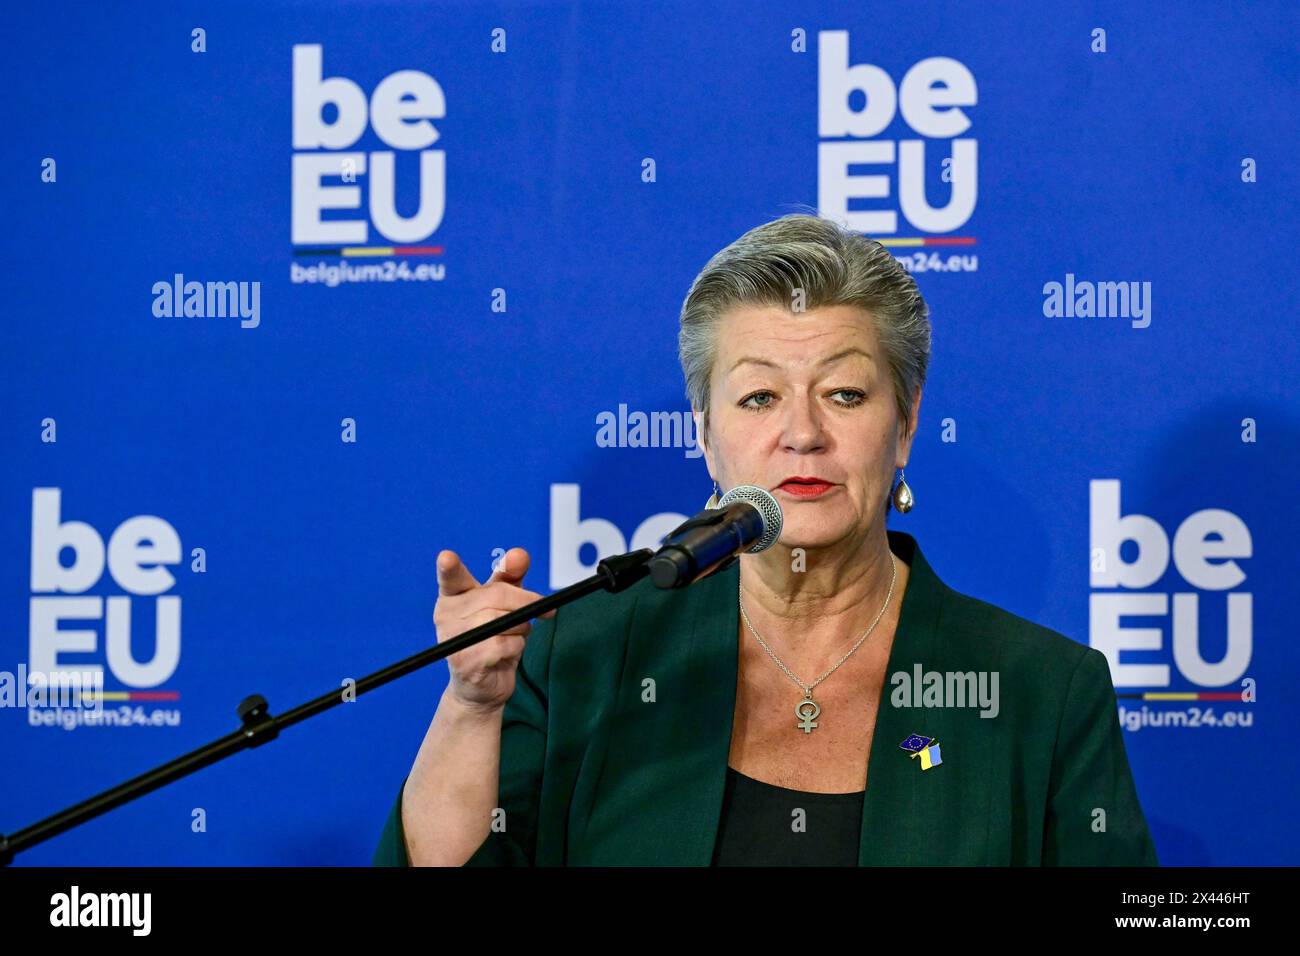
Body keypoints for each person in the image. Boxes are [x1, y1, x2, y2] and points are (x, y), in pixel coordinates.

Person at [373, 213, 1159, 866]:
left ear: (907, 425)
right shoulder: (584, 656)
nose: (803, 434)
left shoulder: (1041, 691)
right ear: (707, 438)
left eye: (845, 394)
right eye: (758, 397)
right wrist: (472, 708)